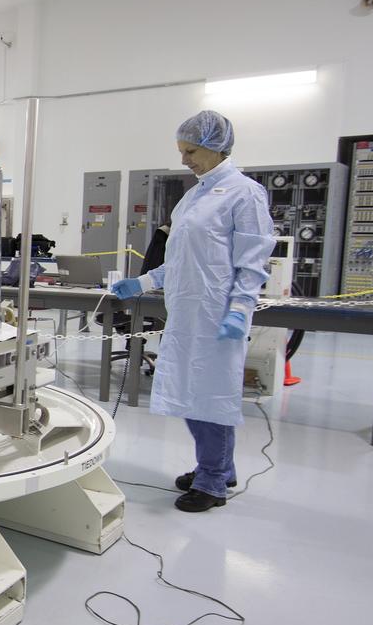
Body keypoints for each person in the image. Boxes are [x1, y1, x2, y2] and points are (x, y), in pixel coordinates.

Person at [111, 111, 275, 512]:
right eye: (181, 151)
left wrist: (239, 310)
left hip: (218, 315)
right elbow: (182, 260)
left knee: (210, 397)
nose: (185, 159)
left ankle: (213, 482)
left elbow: (252, 262)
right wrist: (144, 282)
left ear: (216, 147)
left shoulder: (244, 193)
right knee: (191, 394)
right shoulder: (194, 196)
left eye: (191, 151)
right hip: (186, 313)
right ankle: (219, 466)